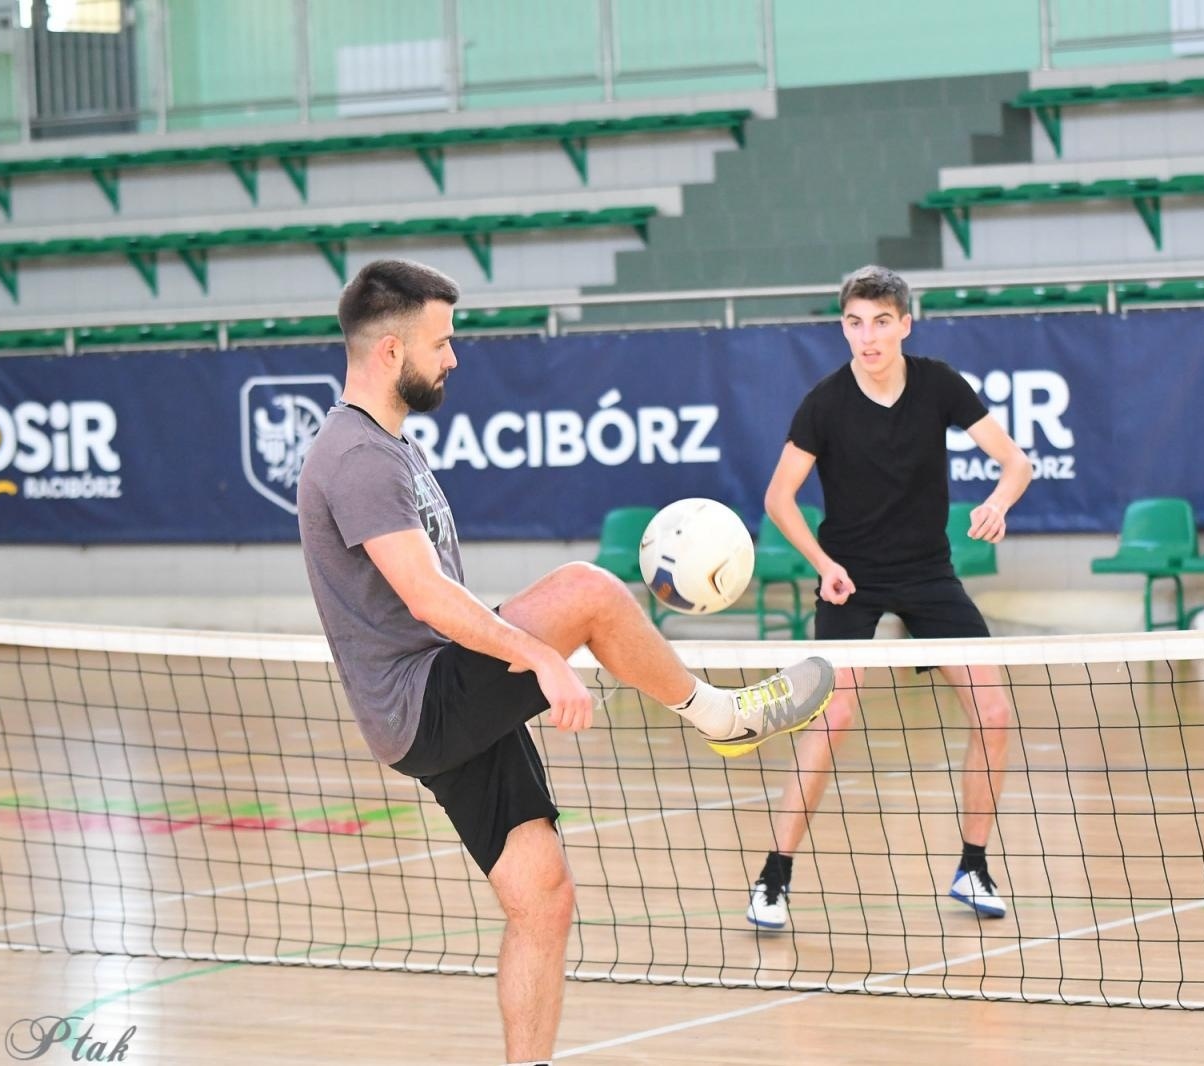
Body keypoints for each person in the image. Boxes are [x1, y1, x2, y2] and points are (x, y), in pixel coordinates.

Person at [297, 258, 835, 1066]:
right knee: (588, 589)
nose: (453, 359)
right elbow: (425, 598)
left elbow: (437, 599)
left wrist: (519, 646)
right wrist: (539, 659)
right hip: (424, 700)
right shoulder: (357, 458)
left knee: (543, 899)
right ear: (388, 353)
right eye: (441, 343)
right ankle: (724, 718)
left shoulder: (387, 447)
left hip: (440, 697)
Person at [746, 264, 1032, 931]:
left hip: (929, 571)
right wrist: (823, 563)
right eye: (854, 323)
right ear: (843, 327)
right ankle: (774, 877)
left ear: (905, 323)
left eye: (880, 322)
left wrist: (997, 501)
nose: (867, 337)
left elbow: (1015, 462)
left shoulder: (937, 384)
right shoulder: (825, 401)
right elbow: (778, 498)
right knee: (833, 718)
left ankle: (973, 865)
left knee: (993, 713)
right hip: (851, 574)